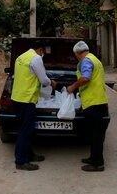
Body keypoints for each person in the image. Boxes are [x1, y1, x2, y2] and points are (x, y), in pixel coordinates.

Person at [11, 40, 56, 171]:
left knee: (24, 128)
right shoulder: (36, 58)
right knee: (25, 131)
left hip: (17, 97)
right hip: (27, 99)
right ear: (40, 50)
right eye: (43, 52)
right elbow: (43, 79)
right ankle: (21, 161)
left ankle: (29, 155)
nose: (42, 55)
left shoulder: (21, 56)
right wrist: (51, 83)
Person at [67, 41, 109, 172]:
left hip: (94, 102)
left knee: (95, 134)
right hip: (98, 101)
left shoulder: (86, 61)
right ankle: (93, 157)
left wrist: (73, 87)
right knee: (93, 133)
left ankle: (98, 164)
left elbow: (85, 78)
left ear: (78, 53)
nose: (76, 57)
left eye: (75, 55)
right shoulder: (94, 59)